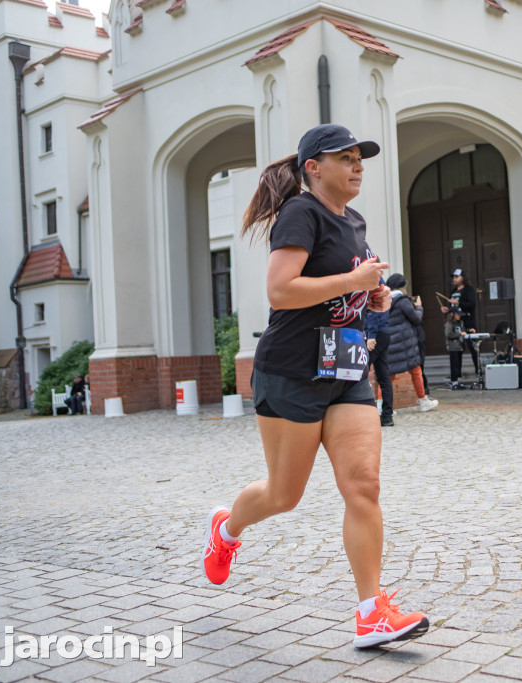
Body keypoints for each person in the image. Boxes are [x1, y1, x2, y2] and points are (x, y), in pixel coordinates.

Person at [202, 124, 428, 649]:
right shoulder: (301, 213)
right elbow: (282, 291)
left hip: (345, 369)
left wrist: (367, 298)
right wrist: (353, 282)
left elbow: (342, 288)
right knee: (284, 495)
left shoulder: (355, 221)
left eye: (360, 158)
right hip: (291, 370)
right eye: (345, 158)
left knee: (363, 484)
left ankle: (371, 613)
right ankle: (225, 529)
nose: (357, 166)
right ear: (313, 168)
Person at [385, 273, 438, 412]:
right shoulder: (403, 301)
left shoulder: (384, 301)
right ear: (402, 287)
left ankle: (381, 405)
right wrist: (419, 307)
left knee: (388, 374)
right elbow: (416, 319)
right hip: (405, 344)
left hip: (391, 343)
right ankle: (423, 401)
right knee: (416, 371)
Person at [441, 268, 478, 377]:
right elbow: (453, 307)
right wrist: (447, 309)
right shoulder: (453, 291)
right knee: (456, 348)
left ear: (463, 278)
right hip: (456, 323)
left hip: (467, 321)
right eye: (454, 277)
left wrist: (458, 302)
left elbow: (472, 304)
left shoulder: (468, 290)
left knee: (472, 346)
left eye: (457, 277)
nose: (454, 279)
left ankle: (477, 370)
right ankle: (457, 374)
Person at [365, 294, 394, 427]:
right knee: (383, 376)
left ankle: (365, 413)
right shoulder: (382, 287)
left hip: (375, 334)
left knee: (361, 372)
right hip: (383, 332)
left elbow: (373, 312)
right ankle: (387, 416)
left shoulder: (375, 284)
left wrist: (371, 335)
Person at [444, 306, 466, 389]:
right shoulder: (449, 324)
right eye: (457, 314)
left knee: (458, 365)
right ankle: (454, 382)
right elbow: (448, 334)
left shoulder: (460, 323)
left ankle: (457, 381)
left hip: (460, 347)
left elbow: (463, 331)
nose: (459, 316)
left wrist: (468, 330)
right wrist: (460, 334)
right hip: (453, 347)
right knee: (454, 365)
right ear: (452, 314)